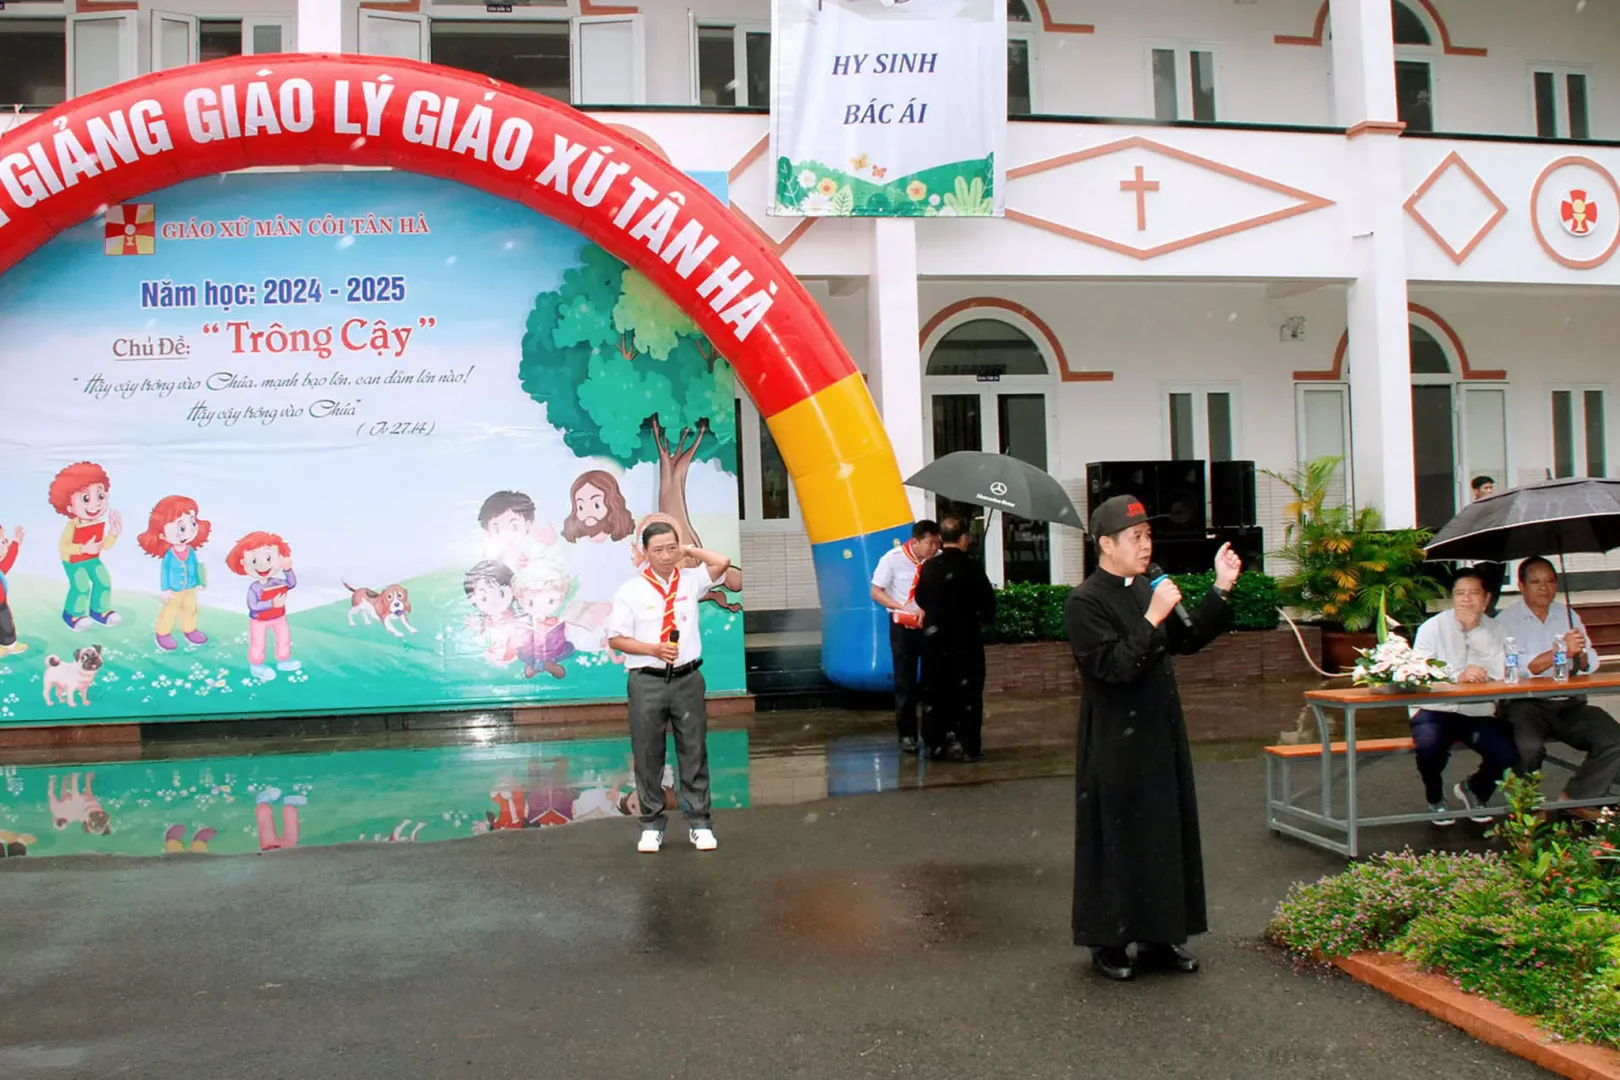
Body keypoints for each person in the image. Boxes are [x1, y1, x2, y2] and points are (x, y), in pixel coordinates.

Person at [1065, 494, 1240, 982]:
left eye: (1148, 536)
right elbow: (1113, 667)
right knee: (1117, 835)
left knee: (1162, 831)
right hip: (1115, 738)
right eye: (1135, 537)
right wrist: (1150, 618)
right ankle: (1109, 940)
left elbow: (1187, 638)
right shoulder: (1085, 602)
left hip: (1159, 729)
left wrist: (1220, 588)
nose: (1146, 546)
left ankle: (1161, 935)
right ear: (1106, 544)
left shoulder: (1146, 587)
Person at [606, 520, 732, 854]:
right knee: (648, 753)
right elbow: (616, 638)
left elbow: (722, 562)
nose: (665, 556)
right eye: (658, 550)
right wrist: (653, 649)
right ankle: (651, 824)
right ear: (644, 552)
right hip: (647, 680)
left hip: (688, 679)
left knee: (693, 751)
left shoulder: (690, 580)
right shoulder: (631, 591)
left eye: (671, 548)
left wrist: (688, 550)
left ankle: (700, 823)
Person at [1495, 557, 1620, 821]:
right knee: (1528, 747)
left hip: (1568, 703)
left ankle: (1577, 798)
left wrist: (1581, 654)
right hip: (1525, 704)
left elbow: (1591, 662)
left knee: (1613, 739)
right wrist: (1558, 652)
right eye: (1536, 581)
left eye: (1550, 581)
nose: (1544, 587)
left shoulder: (1568, 615)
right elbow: (1517, 667)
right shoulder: (1506, 620)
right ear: (1521, 585)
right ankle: (1526, 808)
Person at [1407, 569, 1517, 823]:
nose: (1466, 600)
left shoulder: (1496, 630)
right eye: (1460, 594)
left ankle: (1475, 789)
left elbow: (1505, 671)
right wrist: (1457, 676)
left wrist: (1475, 631)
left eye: (1473, 593)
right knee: (1429, 747)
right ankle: (1435, 798)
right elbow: (1418, 672)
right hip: (1435, 708)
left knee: (1507, 753)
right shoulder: (1432, 627)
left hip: (1478, 710)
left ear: (1486, 599)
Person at [914, 516, 996, 762]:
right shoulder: (972, 567)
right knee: (968, 693)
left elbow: (920, 598)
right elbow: (988, 604)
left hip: (935, 642)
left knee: (935, 691)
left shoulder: (930, 567)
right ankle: (969, 746)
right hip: (966, 641)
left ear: (941, 539)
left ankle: (936, 744)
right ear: (964, 538)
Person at [870, 520, 942, 753]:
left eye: (937, 543)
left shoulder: (938, 560)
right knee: (905, 681)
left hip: (929, 625)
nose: (934, 548)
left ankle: (933, 733)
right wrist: (900, 607)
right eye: (930, 543)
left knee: (933, 679)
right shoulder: (892, 559)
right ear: (916, 541)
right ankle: (907, 734)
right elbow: (876, 591)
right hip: (903, 626)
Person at [1461, 476, 1506, 612]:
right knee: (1485, 584)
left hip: (1497, 552)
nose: (1489, 491)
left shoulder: (1496, 507)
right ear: (1476, 491)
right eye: (1486, 488)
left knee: (1496, 584)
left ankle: (1490, 610)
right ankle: (1483, 610)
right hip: (1481, 554)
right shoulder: (1472, 510)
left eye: (1491, 487)